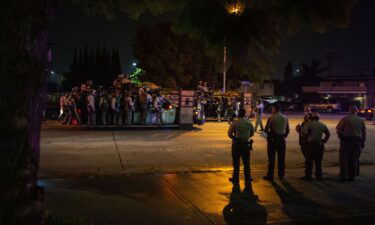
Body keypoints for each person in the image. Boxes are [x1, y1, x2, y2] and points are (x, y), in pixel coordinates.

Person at [336, 105, 366, 182]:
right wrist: (362, 142)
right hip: (357, 141)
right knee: (354, 159)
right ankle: (352, 176)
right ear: (357, 111)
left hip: (346, 141)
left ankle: (343, 176)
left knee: (344, 159)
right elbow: (363, 133)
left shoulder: (345, 119)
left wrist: (341, 138)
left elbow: (338, 130)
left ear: (349, 110)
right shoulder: (361, 120)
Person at [228, 108, 255, 186]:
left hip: (237, 144)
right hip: (246, 144)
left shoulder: (235, 123)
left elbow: (229, 134)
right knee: (246, 162)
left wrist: (235, 138)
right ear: (244, 114)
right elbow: (252, 134)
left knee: (236, 162)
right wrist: (246, 137)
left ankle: (235, 178)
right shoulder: (249, 123)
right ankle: (248, 177)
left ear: (238, 114)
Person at [300, 112, 330, 181]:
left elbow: (303, 132)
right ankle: (318, 176)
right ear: (318, 118)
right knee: (318, 162)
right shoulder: (322, 124)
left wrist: (306, 138)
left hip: (311, 145)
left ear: (311, 118)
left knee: (309, 162)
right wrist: (324, 141)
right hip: (319, 145)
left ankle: (308, 176)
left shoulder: (309, 124)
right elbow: (328, 134)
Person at [263, 104, 290, 181]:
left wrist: (267, 138)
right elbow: (287, 130)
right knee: (281, 158)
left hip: (273, 139)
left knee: (271, 158)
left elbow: (266, 129)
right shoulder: (285, 117)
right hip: (281, 139)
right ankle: (281, 175)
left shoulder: (271, 118)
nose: (271, 110)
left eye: (272, 108)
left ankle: (270, 175)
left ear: (275, 109)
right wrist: (283, 136)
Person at [295, 105, 313, 170]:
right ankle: (307, 162)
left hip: (306, 138)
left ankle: (308, 163)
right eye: (305, 109)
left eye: (307, 109)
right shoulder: (307, 116)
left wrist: (299, 129)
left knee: (306, 151)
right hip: (304, 137)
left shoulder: (310, 117)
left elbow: (308, 129)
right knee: (305, 151)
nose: (305, 110)